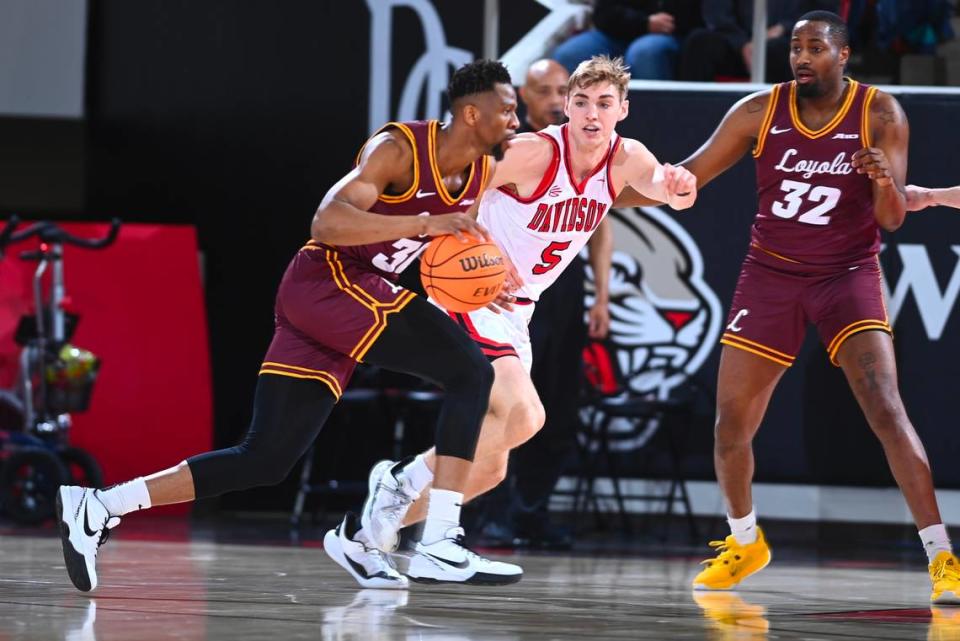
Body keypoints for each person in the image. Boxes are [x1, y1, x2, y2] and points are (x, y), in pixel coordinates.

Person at [56, 60, 524, 592]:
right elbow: (326, 222)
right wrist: (424, 223)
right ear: (470, 113)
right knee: (469, 372)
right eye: (507, 109)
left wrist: (486, 275)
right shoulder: (399, 149)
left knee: (265, 459)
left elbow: (442, 244)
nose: (516, 119)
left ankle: (98, 505)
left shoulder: (480, 173)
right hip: (328, 282)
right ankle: (438, 538)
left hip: (346, 301)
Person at [617, 11, 960, 604]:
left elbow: (892, 219)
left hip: (846, 273)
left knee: (885, 406)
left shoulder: (880, 114)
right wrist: (594, 197)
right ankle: (745, 541)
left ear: (843, 54)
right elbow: (690, 177)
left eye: (816, 47)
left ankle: (942, 558)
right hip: (770, 275)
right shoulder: (758, 111)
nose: (802, 57)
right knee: (731, 426)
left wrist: (882, 181)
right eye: (796, 47)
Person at [333, 55, 696, 587]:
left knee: (499, 455)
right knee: (527, 409)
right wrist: (476, 247)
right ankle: (436, 538)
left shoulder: (626, 157)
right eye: (580, 102)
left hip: (519, 312)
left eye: (603, 103)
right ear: (565, 107)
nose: (591, 113)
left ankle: (365, 531)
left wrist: (679, 187)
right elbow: (458, 183)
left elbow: (666, 189)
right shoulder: (532, 152)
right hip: (473, 297)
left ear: (623, 109)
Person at [478, 58, 612, 549]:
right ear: (524, 98)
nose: (557, 99)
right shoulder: (519, 150)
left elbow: (601, 222)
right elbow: (463, 194)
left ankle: (530, 511)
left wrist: (601, 295)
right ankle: (486, 511)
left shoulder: (591, 152)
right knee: (502, 403)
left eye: (564, 89)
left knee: (558, 404)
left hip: (561, 287)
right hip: (505, 287)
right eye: (548, 91)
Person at [678, 0, 838, 83]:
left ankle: (787, 125)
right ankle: (693, 119)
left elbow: (823, 13)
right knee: (699, 42)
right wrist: (741, 44)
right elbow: (717, 12)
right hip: (735, 42)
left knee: (790, 52)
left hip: (787, 38)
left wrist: (784, 28)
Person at [551, 0, 701, 80]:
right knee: (568, 54)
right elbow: (603, 14)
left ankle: (651, 123)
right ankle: (571, 129)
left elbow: (696, 18)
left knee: (644, 53)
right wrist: (644, 23)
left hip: (669, 35)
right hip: (618, 33)